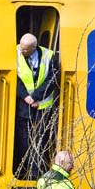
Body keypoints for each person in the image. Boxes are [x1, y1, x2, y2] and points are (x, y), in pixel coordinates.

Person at [14, 32, 59, 179]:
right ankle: (23, 170)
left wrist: (36, 97)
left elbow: (53, 79)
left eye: (26, 49)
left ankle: (35, 173)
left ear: (34, 47)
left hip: (43, 106)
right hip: (24, 105)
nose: (22, 51)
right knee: (24, 140)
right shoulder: (15, 53)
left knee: (40, 140)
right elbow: (14, 77)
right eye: (21, 47)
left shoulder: (49, 56)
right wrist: (26, 96)